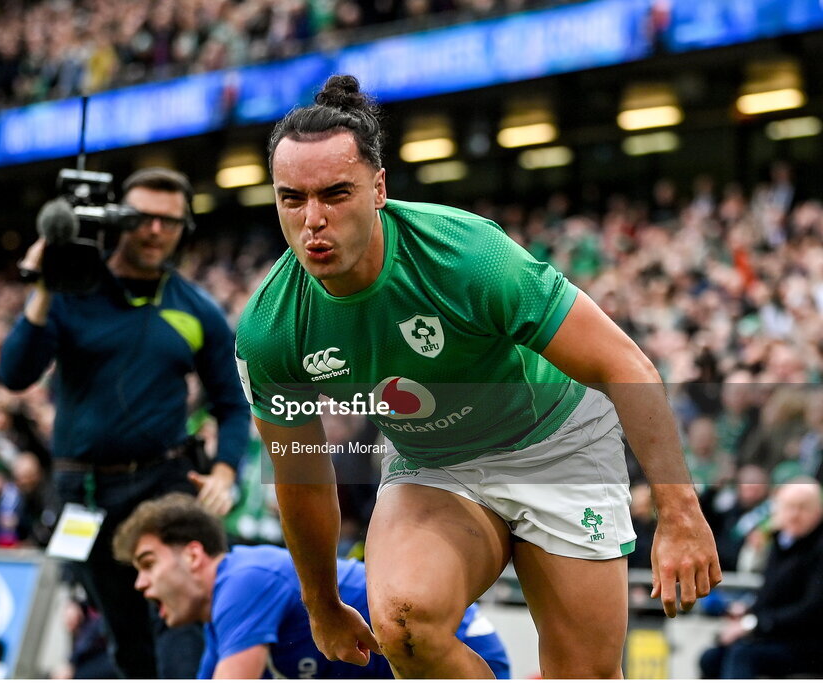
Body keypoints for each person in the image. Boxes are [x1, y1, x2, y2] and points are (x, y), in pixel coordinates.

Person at [234, 75, 721, 678]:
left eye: (335, 194)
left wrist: (679, 511)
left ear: (379, 188)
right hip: (434, 463)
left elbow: (623, 364)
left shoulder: (467, 257)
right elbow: (301, 474)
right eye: (292, 199)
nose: (313, 219)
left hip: (558, 443)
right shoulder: (269, 329)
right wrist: (322, 603)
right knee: (403, 625)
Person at [0, 167, 250, 678]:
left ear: (184, 229)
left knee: (180, 619)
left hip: (164, 483)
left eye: (169, 221)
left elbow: (233, 401)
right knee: (126, 634)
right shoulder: (71, 292)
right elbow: (15, 373)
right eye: (142, 218)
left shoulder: (197, 309)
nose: (155, 231)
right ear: (117, 220)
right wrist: (44, 287)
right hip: (85, 492)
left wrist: (225, 471)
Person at [112, 493, 511, 679]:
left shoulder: (243, 579)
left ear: (193, 555)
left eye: (147, 564)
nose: (141, 584)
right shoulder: (220, 622)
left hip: (463, 654)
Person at [699, 477, 823, 678]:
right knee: (711, 658)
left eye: (803, 507)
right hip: (776, 635)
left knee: (743, 655)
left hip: (807, 643)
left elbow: (812, 609)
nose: (795, 514)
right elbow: (772, 596)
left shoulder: (817, 547)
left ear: (818, 511)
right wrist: (748, 610)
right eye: (789, 507)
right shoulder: (780, 543)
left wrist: (753, 624)